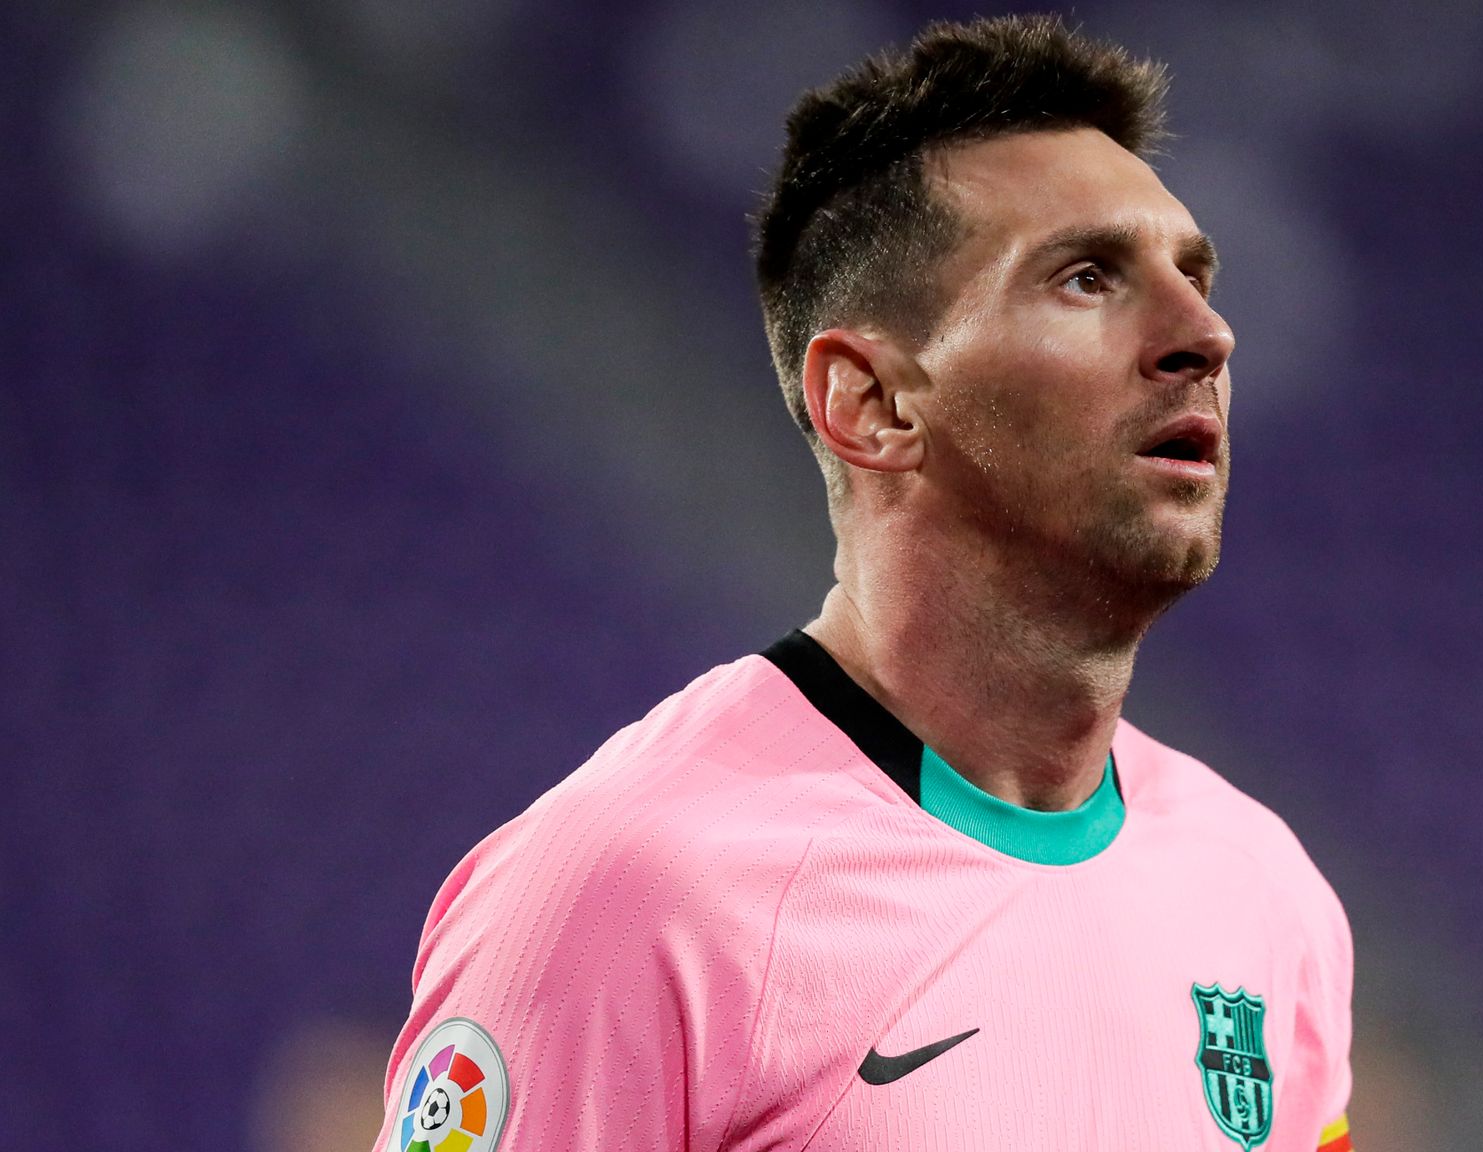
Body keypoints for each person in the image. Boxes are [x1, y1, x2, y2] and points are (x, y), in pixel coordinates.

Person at [373, 15, 1352, 1151]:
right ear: (872, 404)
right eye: (1087, 279)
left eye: (1193, 276)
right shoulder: (626, 894)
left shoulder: (1262, 890)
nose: (1205, 334)